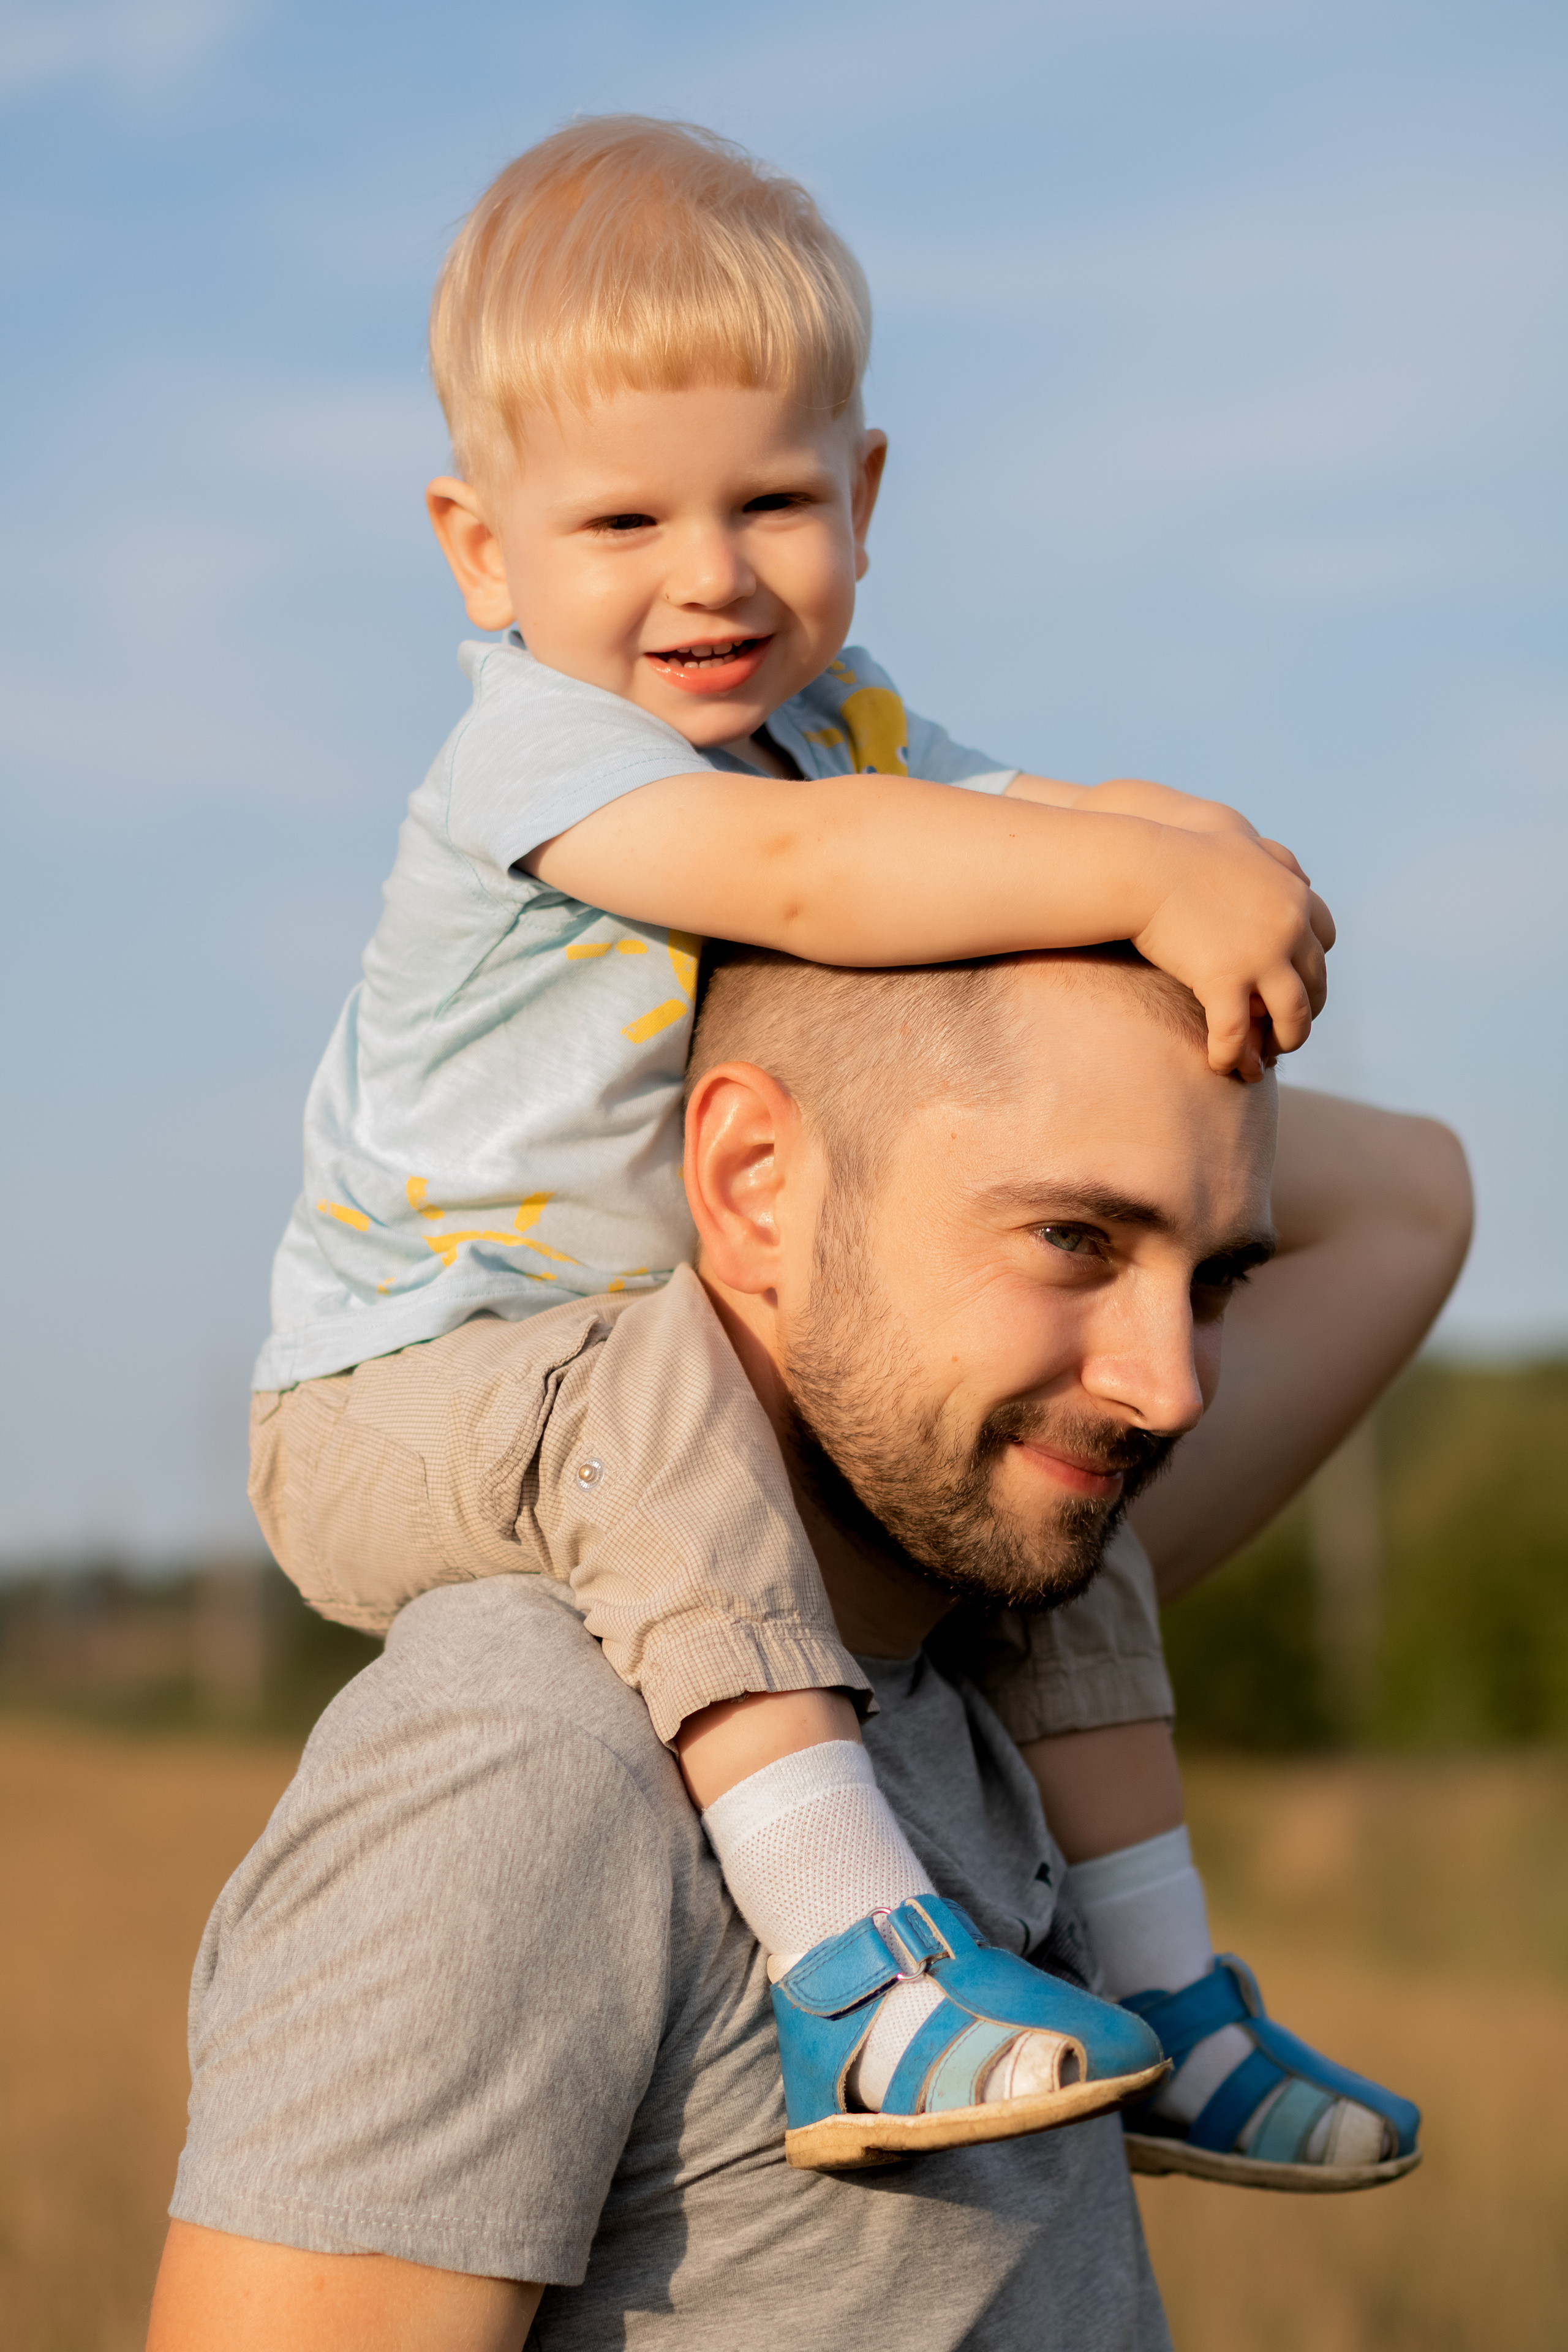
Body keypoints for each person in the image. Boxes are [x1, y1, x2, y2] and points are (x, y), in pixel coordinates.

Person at [249, 115, 1357, 2157]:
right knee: (662, 1374)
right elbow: (828, 878)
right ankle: (857, 1961)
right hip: (401, 1392)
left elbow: (1010, 822)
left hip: (632, 1377)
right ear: (481, 550)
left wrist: (1194, 843)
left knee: (1058, 1438)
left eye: (772, 500)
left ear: (864, 493)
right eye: (620, 527)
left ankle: (1165, 1982)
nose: (708, 577)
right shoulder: (539, 753)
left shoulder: (842, 724)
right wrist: (1132, 868)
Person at [154, 948, 1469, 2349]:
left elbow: (1411, 1197)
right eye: (1074, 1239)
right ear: (751, 1181)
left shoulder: (992, 1619)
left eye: (1211, 1278)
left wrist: (1051, 936)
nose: (1168, 1386)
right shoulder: (531, 1750)